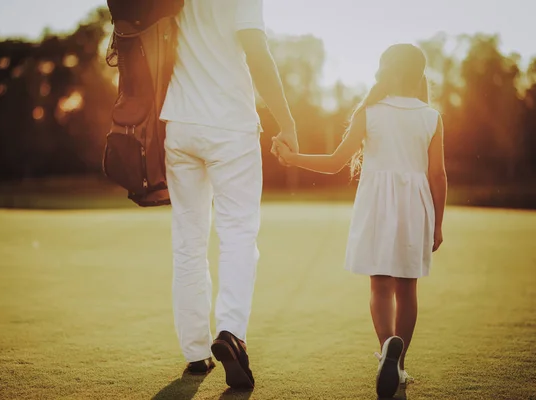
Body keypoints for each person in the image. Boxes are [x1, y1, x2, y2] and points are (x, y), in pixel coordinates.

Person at [272, 43, 448, 398]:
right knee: (407, 290)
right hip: (416, 205)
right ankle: (397, 368)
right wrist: (438, 223)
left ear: (386, 72)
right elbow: (438, 176)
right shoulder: (431, 116)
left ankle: (387, 351)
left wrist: (293, 160)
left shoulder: (370, 112)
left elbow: (337, 161)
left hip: (376, 204)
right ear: (419, 75)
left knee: (379, 287)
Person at [160, 0, 298, 390]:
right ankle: (231, 333)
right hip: (230, 125)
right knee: (237, 232)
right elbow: (256, 50)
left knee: (188, 239)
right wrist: (286, 121)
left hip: (179, 124)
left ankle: (195, 352)